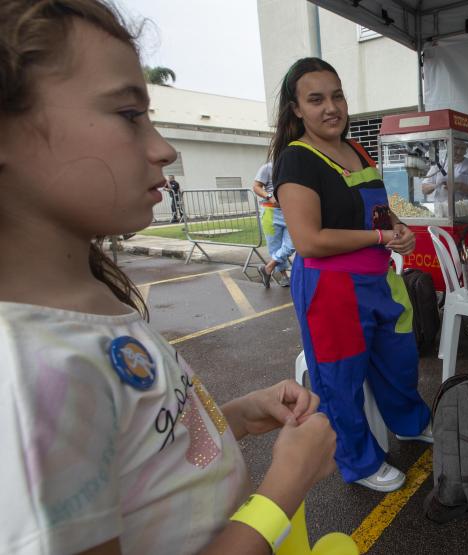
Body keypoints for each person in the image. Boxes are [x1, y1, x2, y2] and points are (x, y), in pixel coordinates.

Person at [0, 2, 338, 553]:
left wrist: (238, 417)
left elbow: (137, 461)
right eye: (130, 115)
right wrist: (284, 490)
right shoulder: (26, 378)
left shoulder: (85, 302)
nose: (164, 148)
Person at [270, 57, 432, 492]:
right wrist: (380, 239)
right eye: (316, 99)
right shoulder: (296, 160)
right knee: (340, 382)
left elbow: (377, 215)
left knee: (399, 362)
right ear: (296, 109)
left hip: (380, 281)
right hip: (332, 289)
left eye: (336, 95)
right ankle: (358, 462)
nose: (330, 107)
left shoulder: (356, 149)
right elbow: (308, 240)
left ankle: (410, 423)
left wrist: (399, 233)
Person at [252, 161, 294, 287]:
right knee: (274, 247)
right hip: (270, 212)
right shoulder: (267, 167)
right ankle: (284, 277)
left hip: (290, 211)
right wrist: (269, 196)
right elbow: (256, 187)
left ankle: (268, 268)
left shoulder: (293, 165)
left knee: (292, 244)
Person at [420, 140, 468, 218]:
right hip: (441, 213)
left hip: (463, 213)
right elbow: (424, 189)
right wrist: (437, 185)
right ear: (449, 147)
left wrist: (460, 186)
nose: (459, 152)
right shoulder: (439, 164)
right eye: (456, 148)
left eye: (463, 149)